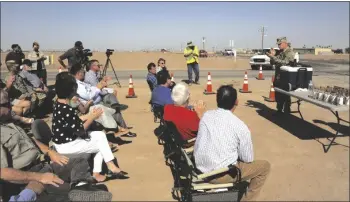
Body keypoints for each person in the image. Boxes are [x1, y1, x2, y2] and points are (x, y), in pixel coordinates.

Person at [194, 85, 270, 201]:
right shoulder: (240, 126)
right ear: (236, 102)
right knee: (264, 167)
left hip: (200, 168)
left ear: (217, 100)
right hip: (219, 175)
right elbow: (248, 159)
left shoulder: (206, 116)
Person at [52, 72, 129, 182]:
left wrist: (88, 116)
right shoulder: (67, 109)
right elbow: (80, 130)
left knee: (100, 135)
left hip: (64, 141)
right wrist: (92, 117)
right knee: (102, 145)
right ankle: (109, 167)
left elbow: (72, 122)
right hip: (67, 145)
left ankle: (101, 171)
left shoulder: (59, 104)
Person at [71, 64, 135, 137]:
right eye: (83, 72)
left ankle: (121, 127)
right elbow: (88, 96)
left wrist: (100, 87)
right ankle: (118, 129)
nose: (84, 73)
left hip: (97, 99)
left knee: (112, 101)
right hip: (93, 104)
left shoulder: (81, 82)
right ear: (79, 73)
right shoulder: (78, 85)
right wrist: (98, 88)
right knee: (113, 108)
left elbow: (92, 88)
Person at [266, 37, 295, 114]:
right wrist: (272, 56)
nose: (278, 46)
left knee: (286, 93)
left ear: (285, 43)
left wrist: (273, 57)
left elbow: (285, 62)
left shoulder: (290, 52)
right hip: (278, 75)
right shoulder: (280, 52)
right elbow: (273, 63)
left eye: (280, 44)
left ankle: (286, 110)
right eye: (278, 44)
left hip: (286, 77)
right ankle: (279, 109)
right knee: (278, 93)